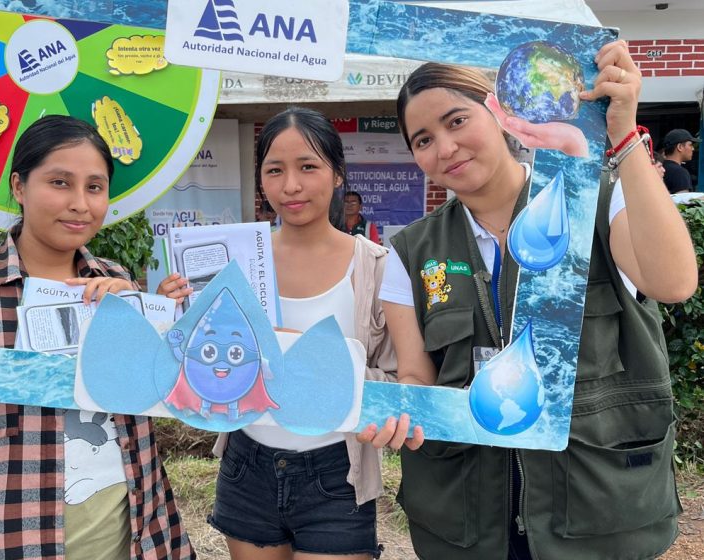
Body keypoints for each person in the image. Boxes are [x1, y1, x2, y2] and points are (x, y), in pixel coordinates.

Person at [372, 41, 697, 559]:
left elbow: (674, 282)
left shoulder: (590, 200)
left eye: (457, 121)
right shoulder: (411, 253)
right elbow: (416, 376)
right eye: (424, 139)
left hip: (597, 512)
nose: (445, 148)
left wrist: (622, 137)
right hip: (469, 522)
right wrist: (400, 413)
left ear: (497, 110)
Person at [0, 115, 194, 560]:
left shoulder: (117, 281)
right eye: (60, 182)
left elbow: (151, 397)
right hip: (5, 532)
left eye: (95, 187)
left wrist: (151, 318)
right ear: (19, 187)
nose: (80, 204)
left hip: (122, 533)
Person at [188, 107, 397, 560]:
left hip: (336, 471)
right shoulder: (236, 260)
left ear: (338, 174)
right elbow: (202, 364)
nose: (292, 186)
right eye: (275, 170)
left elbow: (399, 379)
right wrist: (180, 311)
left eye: (308, 167)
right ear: (261, 179)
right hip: (248, 462)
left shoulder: (375, 265)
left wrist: (309, 359)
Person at [661, 128, 699, 194]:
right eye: (690, 145)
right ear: (680, 147)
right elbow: (682, 202)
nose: (693, 149)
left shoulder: (658, 167)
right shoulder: (679, 172)